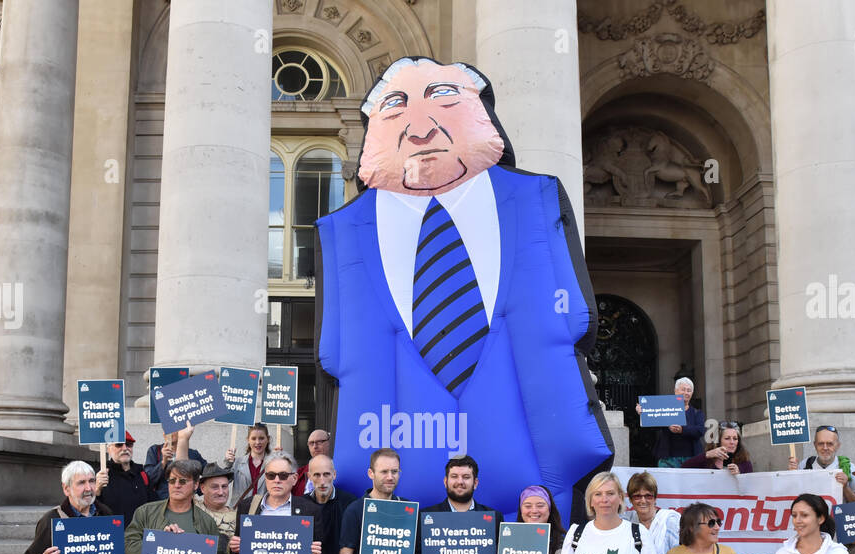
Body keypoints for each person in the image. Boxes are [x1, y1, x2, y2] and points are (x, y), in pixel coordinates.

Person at [316, 56, 613, 519]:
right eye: (395, 108)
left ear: (483, 113)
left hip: (532, 488)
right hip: (403, 492)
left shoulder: (536, 201)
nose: (419, 130)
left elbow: (574, 319)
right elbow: (335, 356)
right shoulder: (344, 231)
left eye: (444, 99)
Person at [636, 377, 704, 468]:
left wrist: (682, 430)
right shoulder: (664, 408)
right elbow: (652, 425)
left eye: (689, 390)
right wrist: (642, 413)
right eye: (683, 389)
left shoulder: (697, 413)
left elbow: (700, 430)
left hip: (691, 458)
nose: (686, 393)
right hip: (667, 459)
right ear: (675, 391)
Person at [788, 425, 855, 502]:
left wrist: (845, 487)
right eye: (821, 443)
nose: (825, 448)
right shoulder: (805, 465)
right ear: (815, 445)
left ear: (838, 445)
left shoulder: (848, 467)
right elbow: (793, 496)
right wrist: (792, 475)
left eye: (830, 444)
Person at [145, 430, 207, 495]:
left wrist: (196, 489)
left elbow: (209, 474)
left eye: (173, 429)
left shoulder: (193, 454)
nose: (168, 432)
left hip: (185, 499)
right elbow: (148, 480)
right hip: (161, 500)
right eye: (165, 429)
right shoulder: (155, 450)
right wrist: (163, 461)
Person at [681, 421, 754, 475]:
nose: (732, 442)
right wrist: (707, 455)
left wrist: (739, 470)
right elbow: (683, 468)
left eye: (735, 439)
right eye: (727, 438)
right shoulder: (707, 459)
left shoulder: (744, 461)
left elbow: (750, 480)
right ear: (718, 441)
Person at [225, 422, 271, 506]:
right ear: (248, 440)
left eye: (261, 438)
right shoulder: (237, 463)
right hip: (239, 512)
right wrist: (228, 463)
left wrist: (282, 459)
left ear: (267, 439)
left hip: (263, 512)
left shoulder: (273, 464)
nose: (257, 442)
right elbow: (224, 482)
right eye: (253, 438)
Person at [293, 430, 331, 496]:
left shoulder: (338, 470)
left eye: (319, 442)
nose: (315, 447)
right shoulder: (299, 473)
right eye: (311, 443)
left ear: (329, 442)